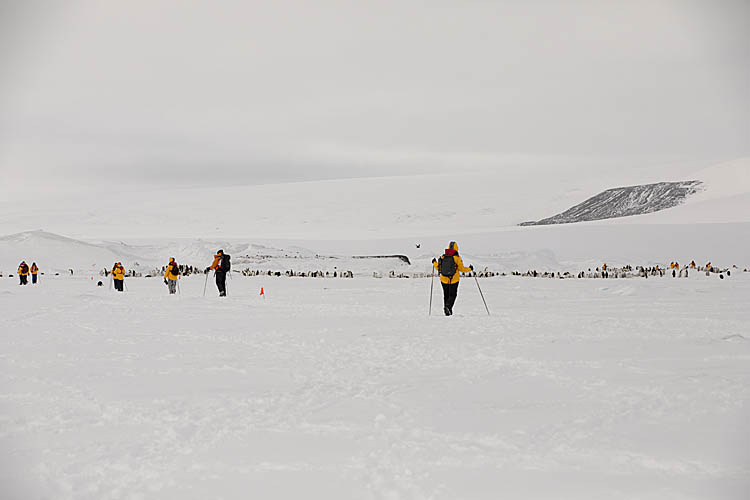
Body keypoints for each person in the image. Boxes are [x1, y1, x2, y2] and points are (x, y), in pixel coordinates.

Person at [432, 242, 473, 316]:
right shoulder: (457, 258)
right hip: (454, 280)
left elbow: (438, 267)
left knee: (446, 295)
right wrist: (470, 269)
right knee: (453, 295)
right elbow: (462, 269)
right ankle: (448, 307)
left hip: (444, 279)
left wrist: (434, 262)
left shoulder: (442, 257)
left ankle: (447, 310)